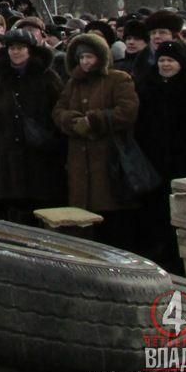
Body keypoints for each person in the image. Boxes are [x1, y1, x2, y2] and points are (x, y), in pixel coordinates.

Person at [135, 41, 186, 273]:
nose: (165, 65)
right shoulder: (148, 88)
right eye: (162, 60)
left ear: (181, 63)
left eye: (170, 61)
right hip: (154, 162)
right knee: (157, 213)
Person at [52, 34, 140, 250]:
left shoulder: (118, 79)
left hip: (109, 162)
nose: (85, 62)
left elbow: (127, 111)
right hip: (79, 164)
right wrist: (73, 122)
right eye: (81, 58)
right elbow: (58, 110)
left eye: (89, 57)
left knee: (113, 225)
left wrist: (94, 120)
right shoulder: (73, 82)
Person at [0, 29, 65, 225]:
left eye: (20, 48)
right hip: (9, 153)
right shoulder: (1, 78)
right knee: (15, 207)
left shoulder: (46, 77)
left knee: (41, 206)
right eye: (12, 48)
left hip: (41, 154)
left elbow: (58, 109)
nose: (15, 52)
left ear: (30, 50)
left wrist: (55, 143)